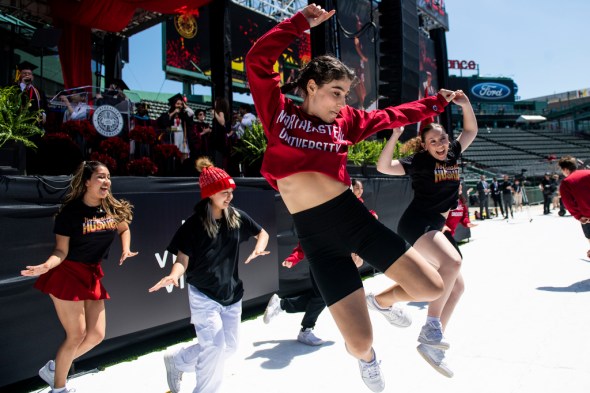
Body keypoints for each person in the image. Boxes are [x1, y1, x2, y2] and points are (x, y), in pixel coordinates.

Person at [246, 5, 454, 391]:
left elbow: (391, 116)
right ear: (311, 87)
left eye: (346, 94)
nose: (342, 102)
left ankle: (384, 301)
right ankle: (369, 361)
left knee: (432, 287)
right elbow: (257, 60)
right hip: (317, 239)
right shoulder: (278, 114)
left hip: (354, 220)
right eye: (335, 93)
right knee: (361, 342)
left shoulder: (347, 122)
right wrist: (298, 25)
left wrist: (435, 104)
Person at [374, 87, 477, 378]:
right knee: (453, 264)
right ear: (425, 145)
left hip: (435, 224)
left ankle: (428, 343)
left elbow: (470, 129)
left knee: (456, 286)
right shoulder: (419, 162)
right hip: (418, 221)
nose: (441, 144)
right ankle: (431, 327)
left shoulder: (454, 151)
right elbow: (383, 167)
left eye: (442, 138)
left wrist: (465, 103)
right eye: (433, 141)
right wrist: (394, 137)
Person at [149, 157, 270, 393]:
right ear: (210, 194)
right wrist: (174, 275)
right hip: (204, 295)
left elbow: (262, 232)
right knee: (214, 347)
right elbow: (182, 259)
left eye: (231, 191)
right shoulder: (193, 226)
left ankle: (179, 361)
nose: (229, 197)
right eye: (224, 192)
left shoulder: (235, 216)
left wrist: (258, 247)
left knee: (229, 348)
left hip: (232, 294)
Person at [20, 161, 137, 393]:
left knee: (96, 335)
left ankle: (55, 369)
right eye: (101, 177)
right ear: (87, 182)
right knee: (77, 334)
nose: (107, 182)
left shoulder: (112, 208)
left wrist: (125, 248)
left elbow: (124, 228)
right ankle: (59, 388)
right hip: (67, 274)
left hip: (91, 274)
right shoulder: (70, 213)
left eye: (108, 177)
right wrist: (46, 266)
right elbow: (61, 251)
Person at [557, 156, 590, 259]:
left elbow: (568, 203)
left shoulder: (566, 182)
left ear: (565, 169)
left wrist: (578, 216)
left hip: (587, 217)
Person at [157, 93, 194, 162]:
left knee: (184, 155)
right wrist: (174, 112)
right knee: (174, 155)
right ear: (173, 104)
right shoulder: (168, 114)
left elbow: (191, 113)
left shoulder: (183, 115)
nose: (179, 106)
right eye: (177, 104)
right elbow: (164, 123)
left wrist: (184, 105)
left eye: (181, 104)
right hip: (173, 136)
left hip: (182, 137)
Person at [15, 60, 48, 126]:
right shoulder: (14, 89)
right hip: (18, 123)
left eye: (29, 74)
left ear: (32, 77)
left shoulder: (39, 92)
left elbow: (44, 106)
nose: (27, 75)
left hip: (34, 124)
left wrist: (44, 114)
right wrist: (24, 84)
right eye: (24, 73)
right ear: (19, 75)